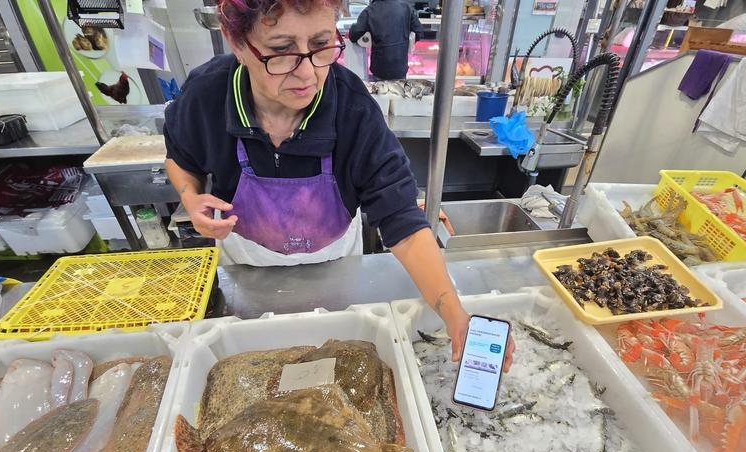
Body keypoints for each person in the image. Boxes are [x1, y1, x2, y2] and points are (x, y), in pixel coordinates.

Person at [162, 0, 513, 370]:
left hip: (336, 270)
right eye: (281, 51)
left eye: (321, 45)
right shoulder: (207, 94)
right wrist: (190, 195)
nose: (307, 74)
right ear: (237, 43)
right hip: (246, 272)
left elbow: (403, 222)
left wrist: (453, 311)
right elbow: (181, 157)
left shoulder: (353, 110)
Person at [348, 0, 423, 80]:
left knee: (380, 92)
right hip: (400, 67)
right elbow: (419, 32)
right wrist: (405, 43)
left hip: (380, 69)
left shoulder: (369, 11)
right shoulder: (406, 7)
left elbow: (354, 35)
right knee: (399, 91)